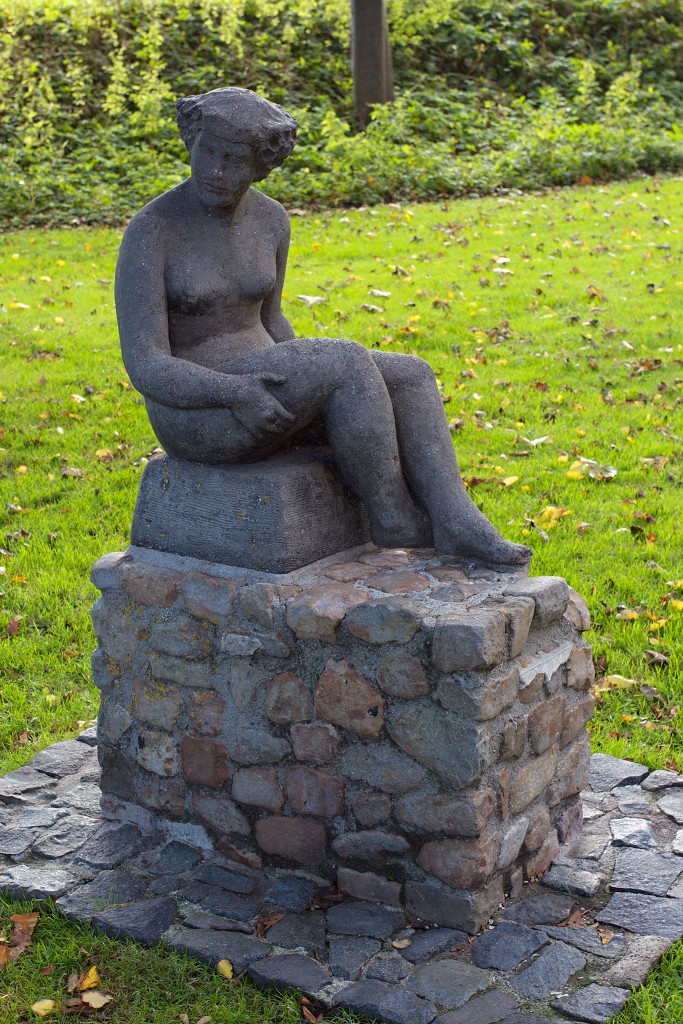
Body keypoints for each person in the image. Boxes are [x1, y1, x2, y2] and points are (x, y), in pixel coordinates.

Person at [115, 87, 529, 564]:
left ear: (261, 166)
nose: (216, 171)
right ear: (192, 141)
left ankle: (457, 519)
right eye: (208, 152)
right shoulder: (153, 231)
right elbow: (146, 365)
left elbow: (271, 319)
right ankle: (393, 516)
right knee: (344, 361)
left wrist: (309, 378)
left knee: (409, 374)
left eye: (235, 159)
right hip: (196, 412)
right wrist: (236, 392)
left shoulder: (271, 220)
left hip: (267, 382)